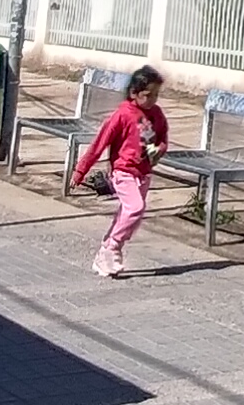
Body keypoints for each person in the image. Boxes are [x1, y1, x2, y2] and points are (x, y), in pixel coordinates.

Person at [73, 66, 171, 280]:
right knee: (135, 207)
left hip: (143, 172)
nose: (152, 100)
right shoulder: (123, 114)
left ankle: (106, 253)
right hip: (123, 171)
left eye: (156, 95)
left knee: (130, 216)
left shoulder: (156, 114)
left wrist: (160, 149)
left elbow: (163, 137)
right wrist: (81, 170)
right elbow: (100, 143)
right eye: (148, 95)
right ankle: (112, 247)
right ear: (134, 93)